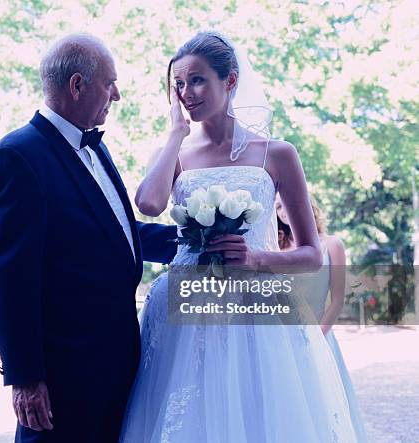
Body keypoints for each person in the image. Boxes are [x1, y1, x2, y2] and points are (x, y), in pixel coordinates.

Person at [120, 31, 361, 442]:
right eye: (178, 84)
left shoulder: (277, 153)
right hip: (185, 309)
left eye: (197, 80)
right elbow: (147, 203)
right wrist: (175, 134)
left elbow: (309, 252)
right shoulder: (174, 153)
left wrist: (256, 259)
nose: (186, 93)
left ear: (230, 80)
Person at [0, 34, 177, 442]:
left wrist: (192, 242)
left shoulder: (95, 149)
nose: (117, 95)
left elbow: (111, 233)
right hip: (61, 377)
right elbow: (9, 277)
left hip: (115, 364)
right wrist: (26, 377)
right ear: (77, 85)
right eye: (110, 83)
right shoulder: (18, 156)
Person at [277, 193, 368, 442]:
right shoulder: (276, 248)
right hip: (282, 340)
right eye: (277, 207)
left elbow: (337, 300)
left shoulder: (331, 244)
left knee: (324, 404)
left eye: (285, 203)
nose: (283, 210)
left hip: (320, 335)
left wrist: (316, 337)